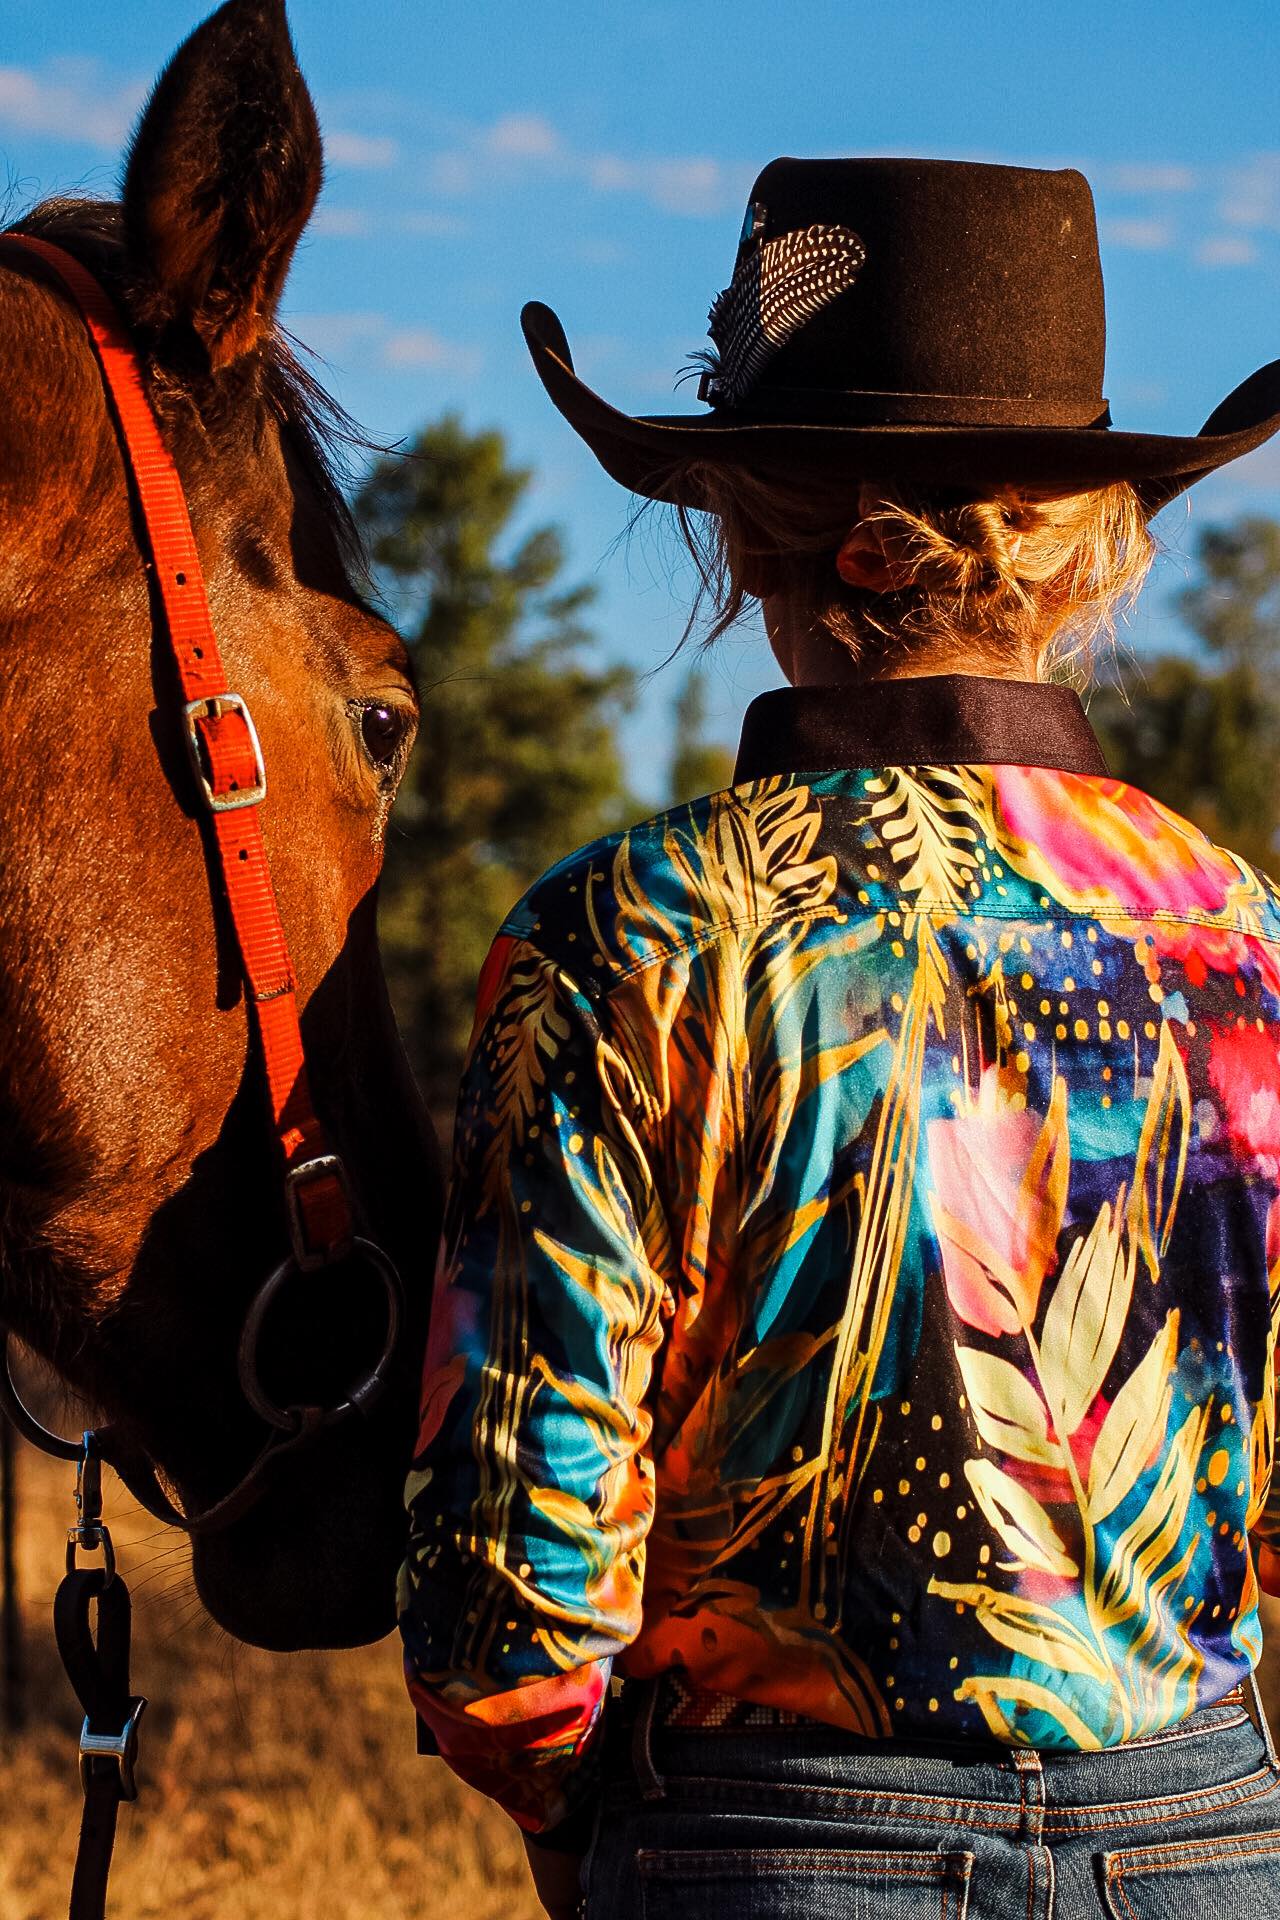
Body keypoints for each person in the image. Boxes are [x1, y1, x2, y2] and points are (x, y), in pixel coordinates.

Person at [398, 158, 1280, 1919]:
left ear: (781, 536)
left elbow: (509, 1594)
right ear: (1089, 542)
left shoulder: (627, 940)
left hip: (771, 1843)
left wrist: (586, 1823)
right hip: (1207, 1835)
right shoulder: (1245, 943)